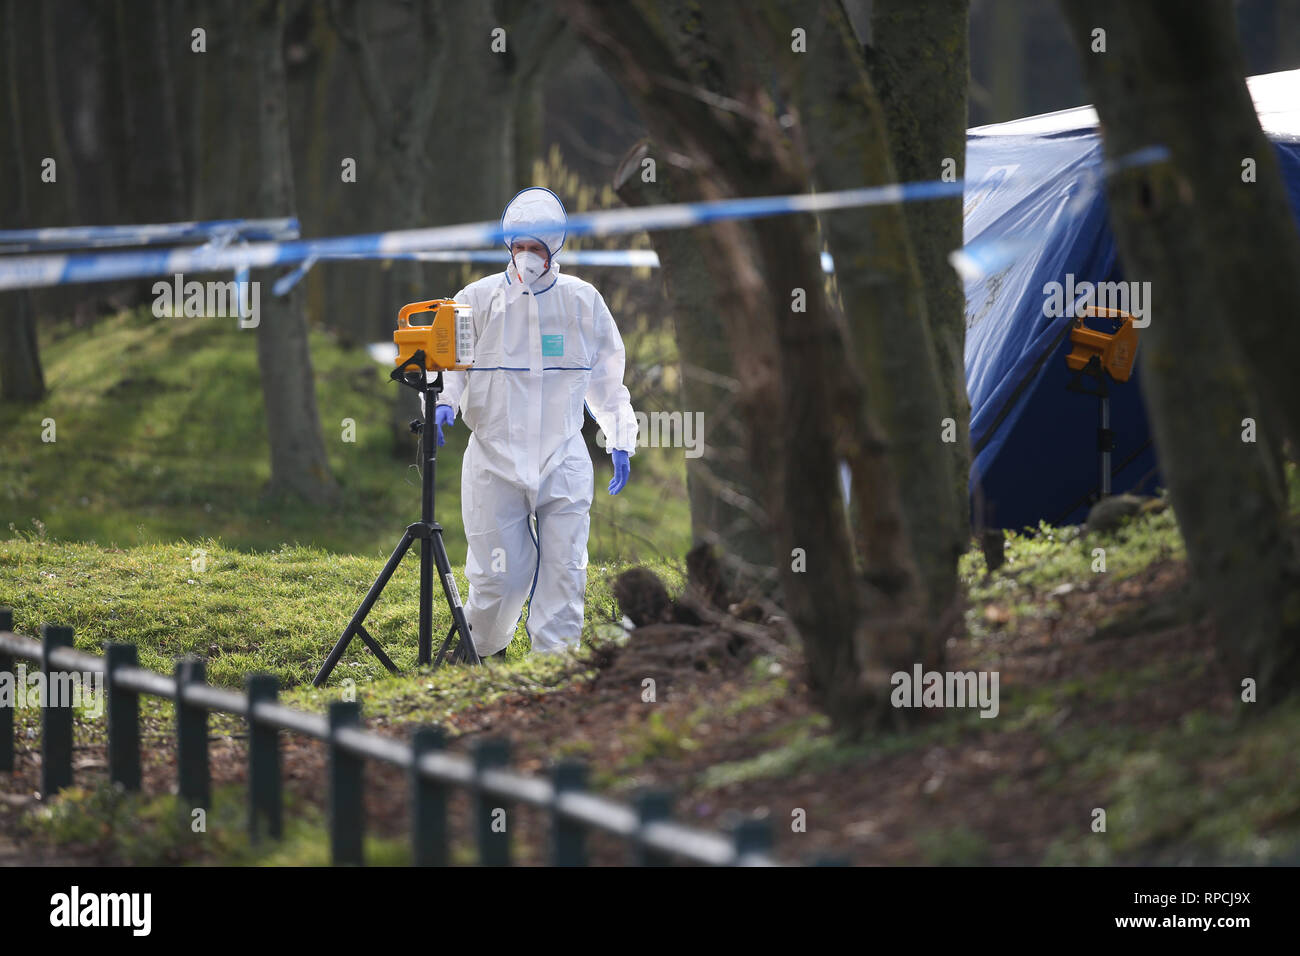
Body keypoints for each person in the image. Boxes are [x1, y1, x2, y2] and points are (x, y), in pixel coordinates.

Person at [425, 186, 638, 660]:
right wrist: (443, 403)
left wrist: (619, 435)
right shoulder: (474, 299)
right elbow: (451, 364)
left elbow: (606, 377)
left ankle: (554, 669)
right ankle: (480, 651)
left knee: (565, 570)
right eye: (518, 246)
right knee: (498, 575)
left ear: (554, 249)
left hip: (562, 457)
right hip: (493, 461)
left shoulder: (582, 302)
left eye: (535, 248)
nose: (526, 257)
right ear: (507, 246)